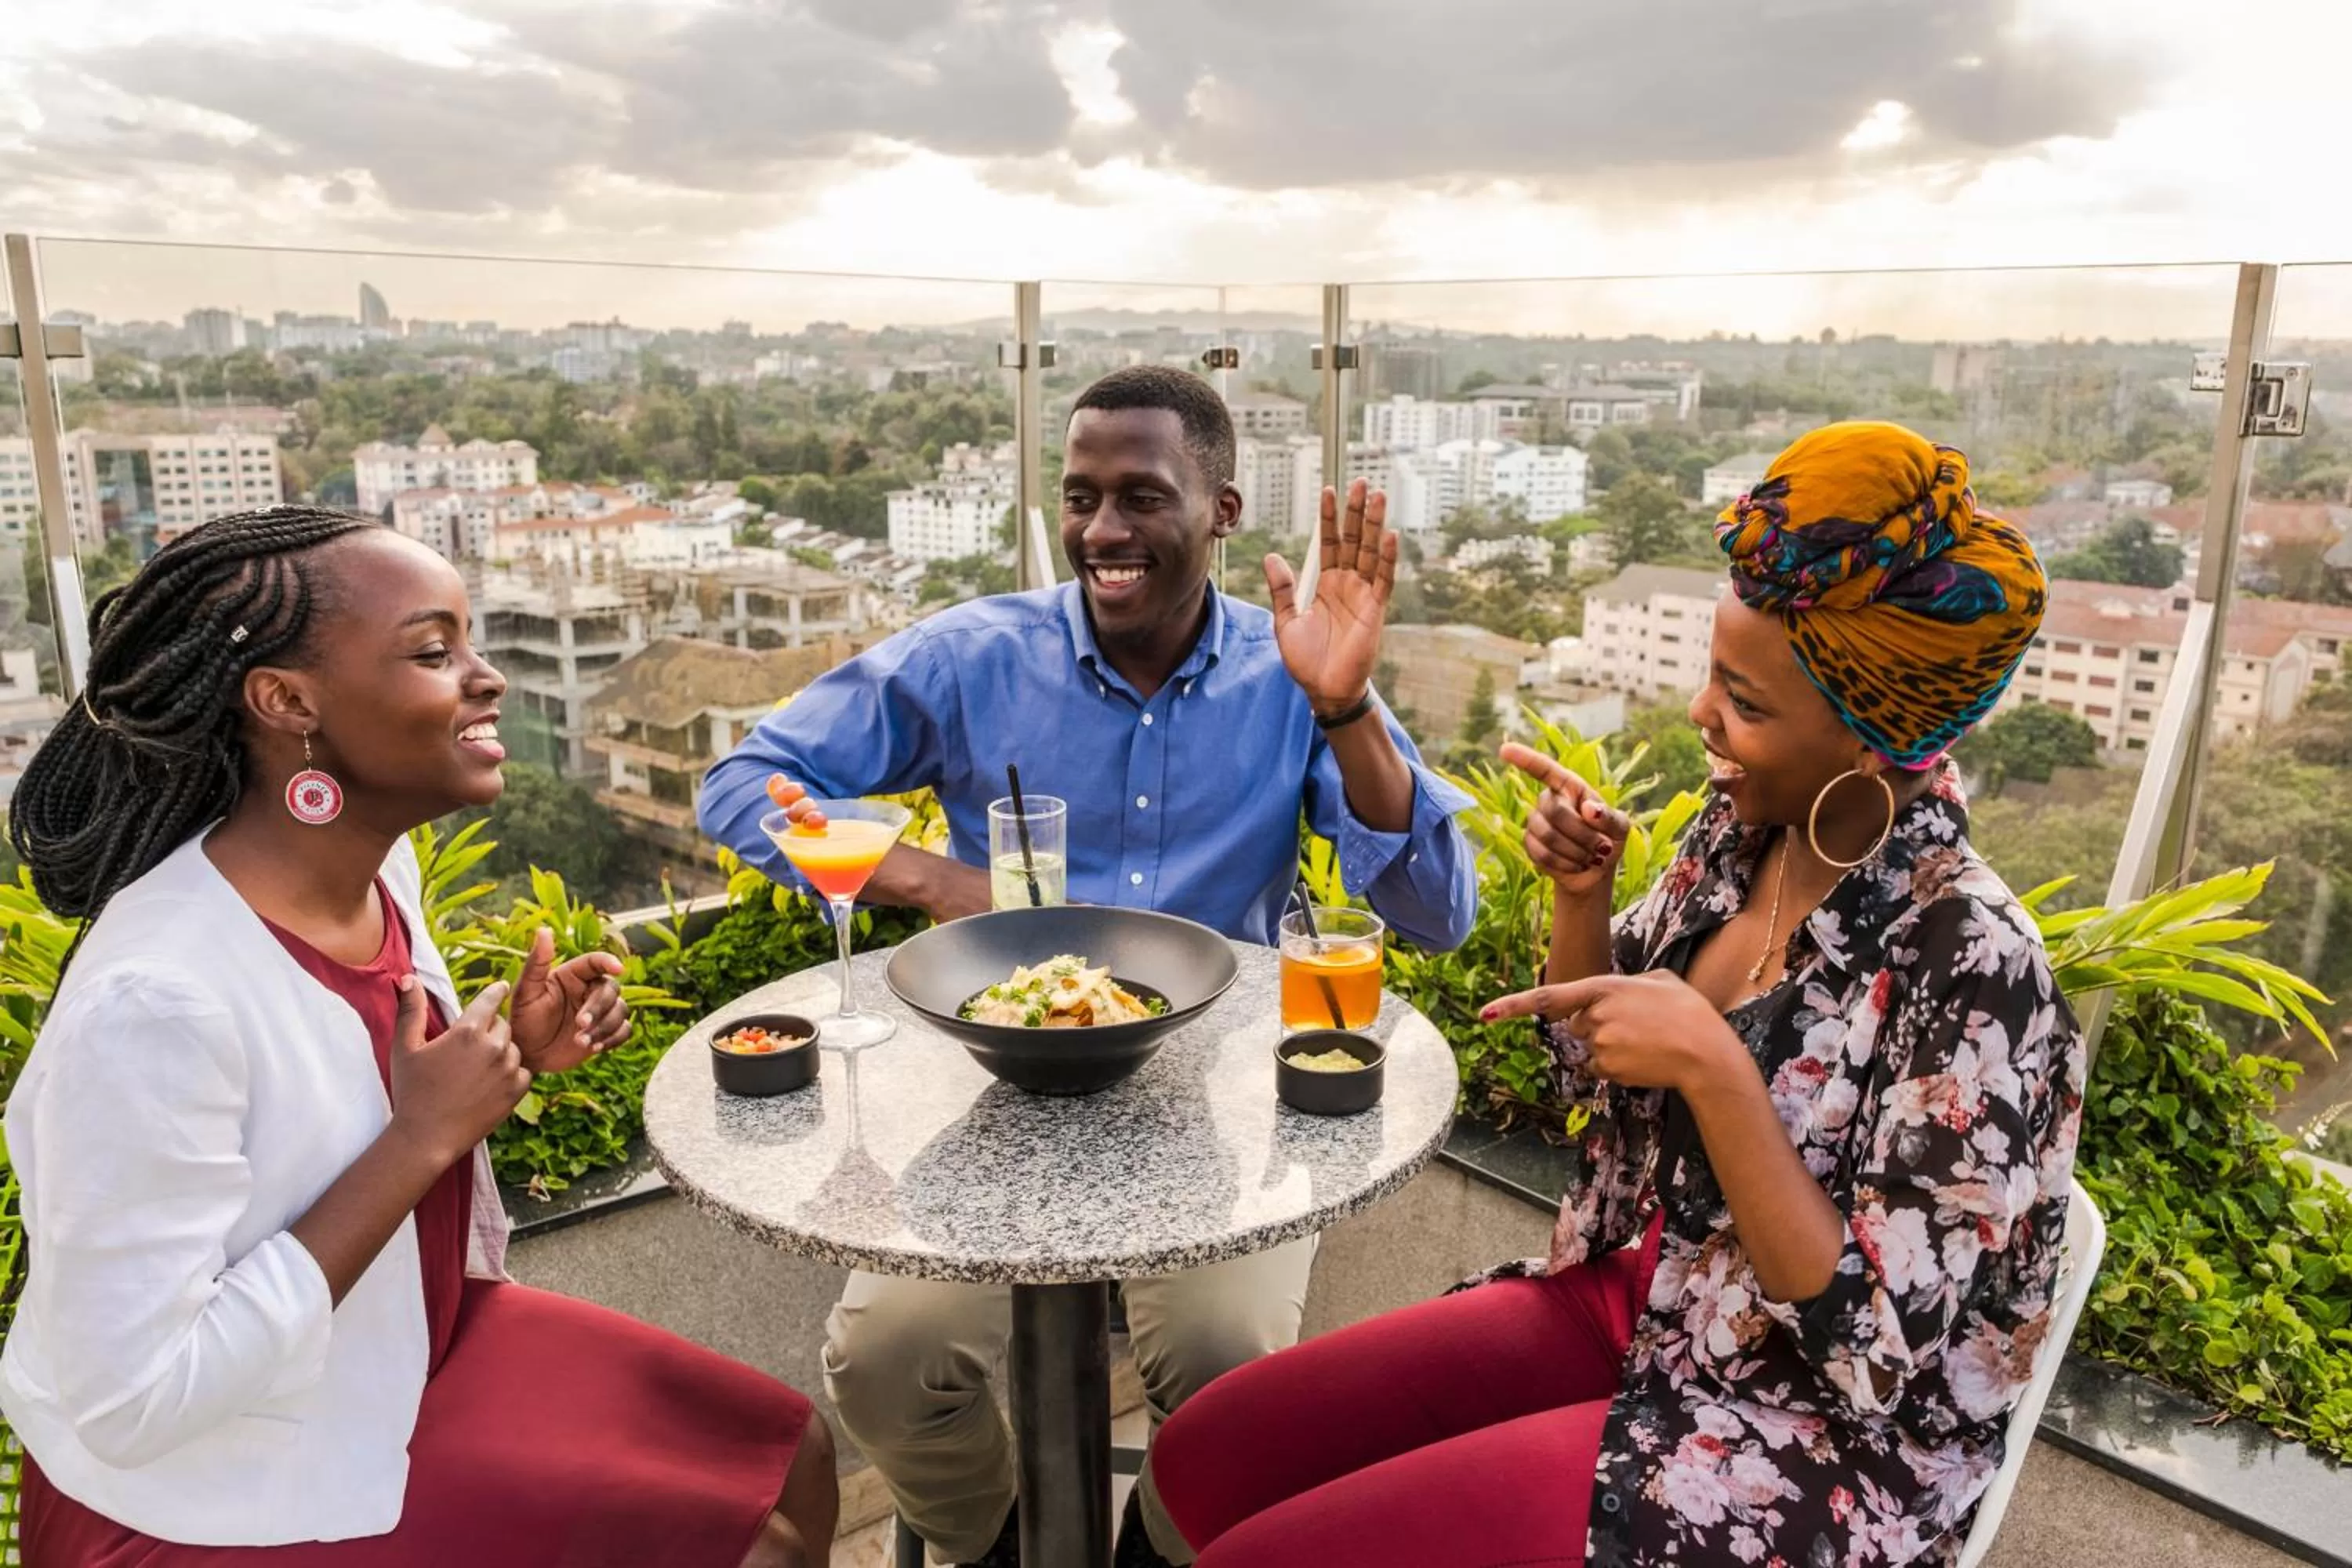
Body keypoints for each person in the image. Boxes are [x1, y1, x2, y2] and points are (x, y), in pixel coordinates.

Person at [1150, 420, 2087, 1568]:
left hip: (1809, 1435)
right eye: (1712, 674)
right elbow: (1584, 1076)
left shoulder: (1976, 964)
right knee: (1205, 1459)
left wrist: (1717, 1069)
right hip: (1645, 1300)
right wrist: (1581, 899)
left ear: (1870, 739)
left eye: (1742, 702)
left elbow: (1874, 1354)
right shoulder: (1742, 839)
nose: (1701, 715)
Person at [697, 365, 1476, 1566]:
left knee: (1232, 1377)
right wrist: (927, 878)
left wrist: (1347, 709)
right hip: (987, 1093)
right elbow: (742, 783)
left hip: (1220, 1103)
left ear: (1221, 509)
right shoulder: (974, 658)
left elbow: (1436, 913)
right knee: (884, 1358)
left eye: (1143, 497)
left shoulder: (1296, 674)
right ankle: (997, 1542)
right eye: (1081, 496)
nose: (1103, 532)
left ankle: (1152, 1556)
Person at [2, 508, 837, 1567]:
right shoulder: (154, 1006)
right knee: (754, 1548)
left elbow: (342, 1091)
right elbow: (137, 1402)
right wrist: (420, 1139)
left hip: (403, 1340)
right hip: (210, 1485)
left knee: (794, 1447)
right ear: (288, 702)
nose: (485, 678)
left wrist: (513, 1055)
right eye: (435, 652)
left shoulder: (372, 869)